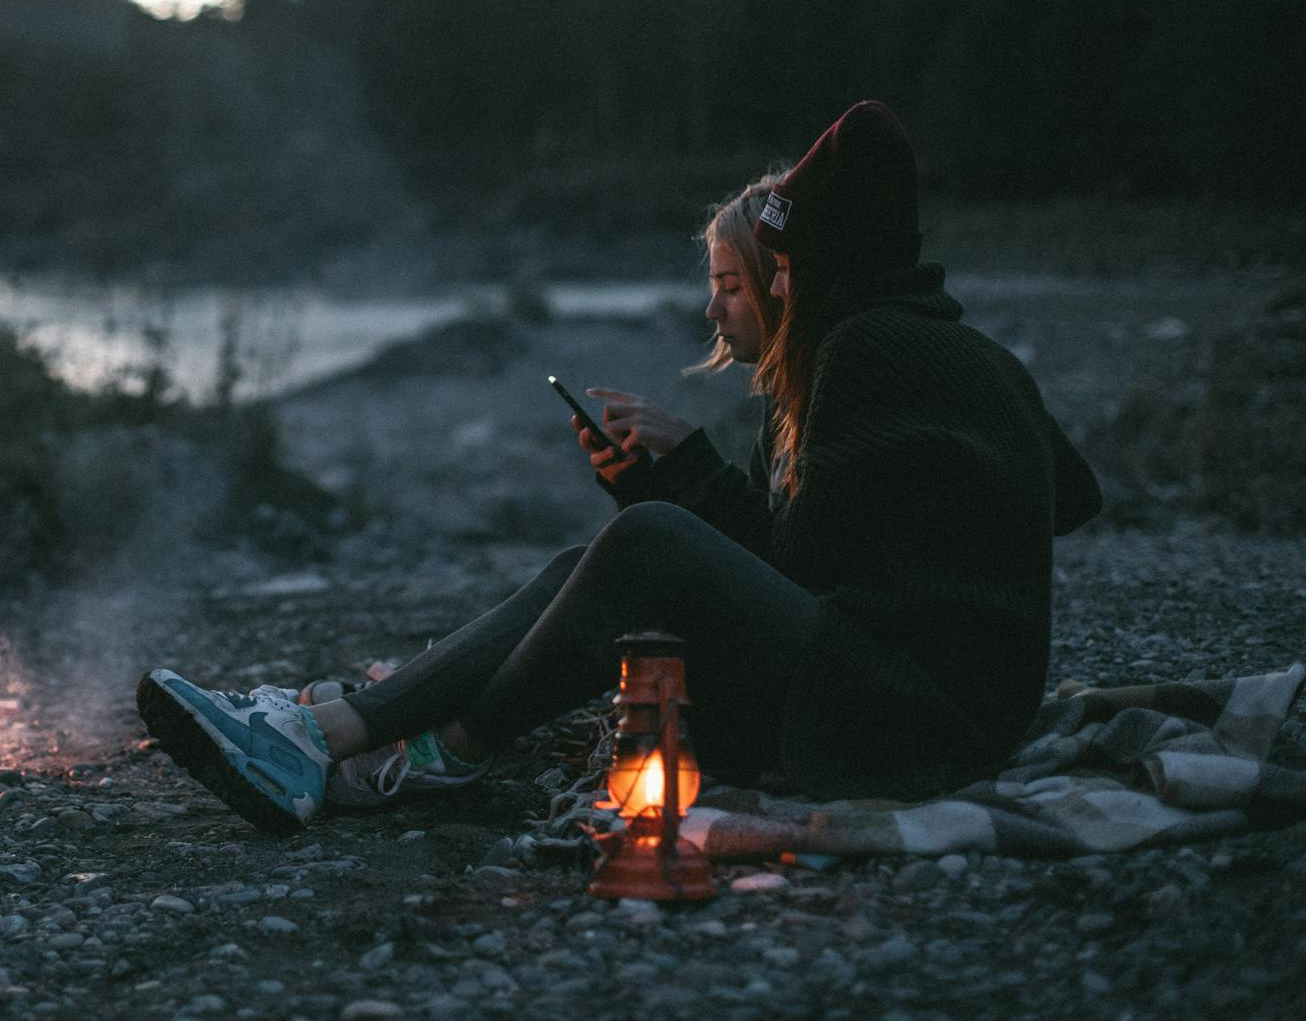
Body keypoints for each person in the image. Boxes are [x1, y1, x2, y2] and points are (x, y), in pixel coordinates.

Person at [137, 101, 1103, 834]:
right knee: (601, 556)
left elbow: (795, 569)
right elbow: (1068, 491)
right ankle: (349, 731)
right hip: (915, 696)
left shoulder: (873, 350)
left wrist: (690, 480)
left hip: (907, 720)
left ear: (819, 260)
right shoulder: (931, 349)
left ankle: (425, 749)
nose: (768, 285)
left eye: (775, 264)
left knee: (645, 541)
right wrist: (664, 480)